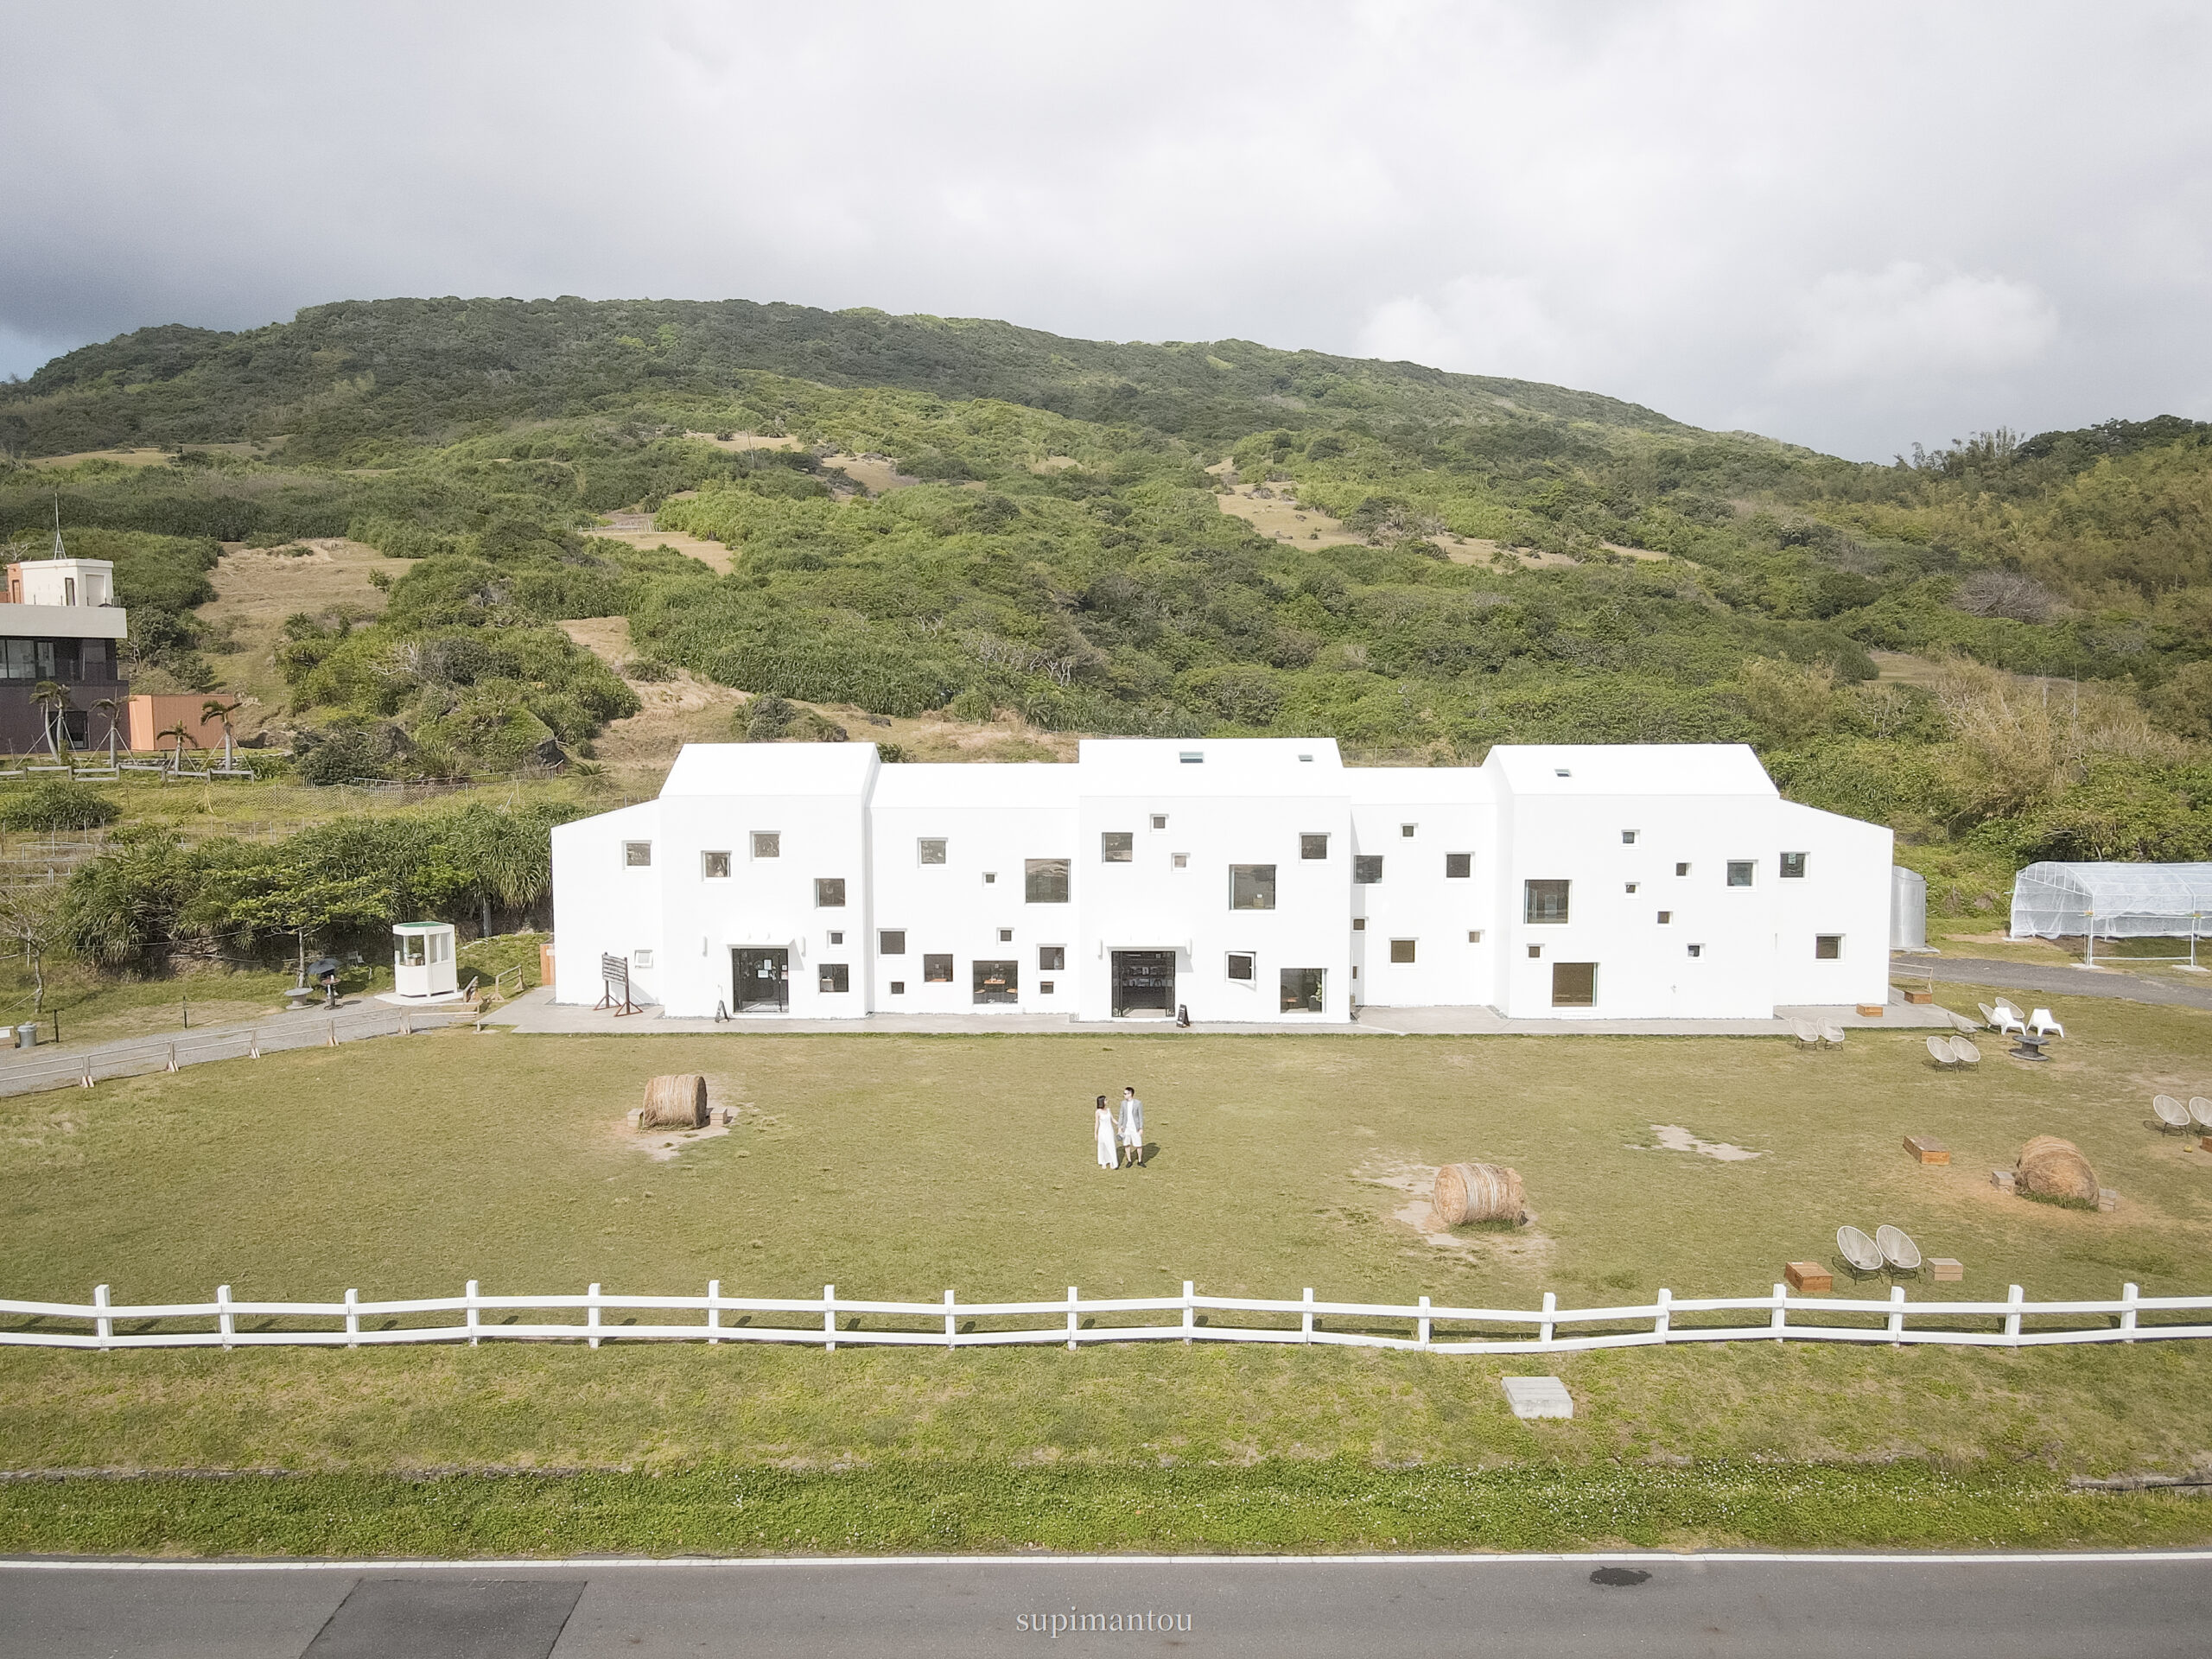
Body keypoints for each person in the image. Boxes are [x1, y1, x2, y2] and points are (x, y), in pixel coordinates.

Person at [1117, 1084, 1144, 1168]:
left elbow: (1140, 1116)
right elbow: (1121, 1115)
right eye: (1124, 1093)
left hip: (1135, 1127)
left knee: (1138, 1145)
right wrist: (1120, 1126)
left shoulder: (1138, 1103)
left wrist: (1141, 1128)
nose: (1124, 1095)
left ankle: (1140, 1160)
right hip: (1126, 1127)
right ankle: (1129, 1160)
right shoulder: (1123, 1103)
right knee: (1126, 1144)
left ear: (1130, 1094)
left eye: (1126, 1093)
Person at [1093, 1095, 1117, 1172]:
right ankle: (1103, 1161)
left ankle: (1112, 1161)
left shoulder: (1108, 1110)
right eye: (1105, 1100)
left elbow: (1112, 1119)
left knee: (1111, 1145)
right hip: (1102, 1131)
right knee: (1103, 1146)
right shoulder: (1098, 1112)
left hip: (1109, 1131)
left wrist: (1119, 1124)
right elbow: (1097, 1123)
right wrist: (1095, 1133)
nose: (1107, 1101)